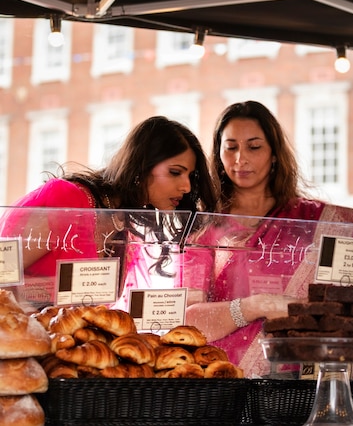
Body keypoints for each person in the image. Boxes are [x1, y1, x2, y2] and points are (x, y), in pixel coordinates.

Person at [181, 101, 353, 377]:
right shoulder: (205, 228)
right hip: (226, 378)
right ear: (218, 153)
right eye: (231, 147)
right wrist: (258, 305)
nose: (240, 159)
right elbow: (187, 322)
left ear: (274, 153)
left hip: (306, 376)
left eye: (254, 147)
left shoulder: (312, 221)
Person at [0, 116, 217, 308]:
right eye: (175, 172)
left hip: (74, 348)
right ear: (142, 166)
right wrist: (57, 292)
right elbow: (3, 276)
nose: (186, 187)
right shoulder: (71, 200)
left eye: (190, 176)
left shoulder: (123, 224)